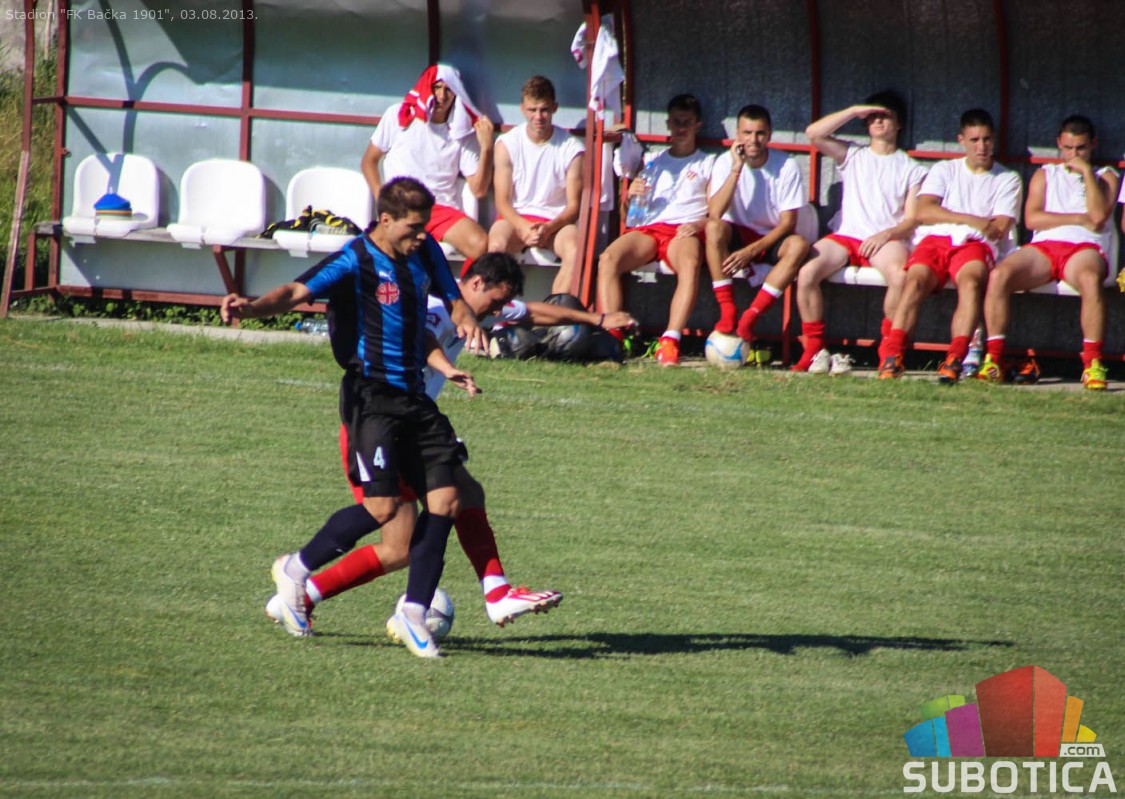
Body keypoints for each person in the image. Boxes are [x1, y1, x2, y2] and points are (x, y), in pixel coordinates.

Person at [265, 253, 637, 630]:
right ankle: (493, 593)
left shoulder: (475, 309)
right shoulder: (432, 306)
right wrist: (446, 367)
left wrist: (596, 320)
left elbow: (533, 313)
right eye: (495, 302)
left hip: (408, 423)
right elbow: (420, 336)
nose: (497, 311)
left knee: (399, 547)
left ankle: (299, 597)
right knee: (450, 496)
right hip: (380, 425)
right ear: (475, 283)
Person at [222, 177, 484, 659]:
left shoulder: (425, 252)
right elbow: (295, 291)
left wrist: (461, 326)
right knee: (383, 509)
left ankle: (413, 614)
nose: (422, 236)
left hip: (415, 398)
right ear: (385, 219)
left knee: (446, 501)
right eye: (413, 227)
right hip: (371, 398)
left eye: (425, 227)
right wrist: (252, 308)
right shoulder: (355, 259)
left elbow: (450, 301)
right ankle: (296, 568)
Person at [878, 108, 1022, 382]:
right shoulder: (945, 169)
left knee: (970, 282)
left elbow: (999, 227)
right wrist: (973, 219)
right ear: (961, 140)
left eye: (986, 139)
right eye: (974, 140)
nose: (981, 147)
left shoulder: (1007, 178)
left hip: (975, 244)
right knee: (914, 281)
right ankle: (893, 356)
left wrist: (952, 216)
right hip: (936, 239)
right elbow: (924, 211)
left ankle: (955, 358)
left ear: (994, 140)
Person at [979, 116, 1119, 390]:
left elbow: (1098, 217)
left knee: (1090, 279)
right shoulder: (1045, 174)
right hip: (1045, 246)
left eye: (1081, 148)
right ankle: (993, 358)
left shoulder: (1106, 176)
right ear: (1059, 144)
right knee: (1000, 274)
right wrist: (1078, 218)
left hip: (1084, 248)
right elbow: (1032, 219)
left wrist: (1086, 173)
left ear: (1093, 144)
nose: (1074, 155)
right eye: (1068, 148)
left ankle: (1092, 363)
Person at [794, 93, 928, 373]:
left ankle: (889, 350)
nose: (878, 121)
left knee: (900, 276)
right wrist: (854, 110)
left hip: (885, 240)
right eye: (872, 116)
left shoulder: (911, 168)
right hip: (847, 236)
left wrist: (886, 235)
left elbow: (912, 220)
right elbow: (814, 134)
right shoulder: (853, 154)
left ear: (899, 123)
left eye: (885, 116)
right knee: (806, 273)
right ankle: (814, 350)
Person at [596, 94, 716, 366]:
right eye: (676, 122)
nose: (681, 128)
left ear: (697, 125)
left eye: (687, 122)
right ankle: (615, 334)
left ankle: (670, 340)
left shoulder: (707, 162)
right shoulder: (651, 160)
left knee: (689, 262)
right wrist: (629, 197)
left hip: (684, 229)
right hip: (650, 229)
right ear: (668, 123)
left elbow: (716, 212)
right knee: (608, 258)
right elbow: (629, 217)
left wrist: (698, 225)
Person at [360, 63, 495, 273]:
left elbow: (478, 190)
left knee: (480, 243)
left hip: (439, 208)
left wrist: (487, 148)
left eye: (448, 89)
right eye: (436, 87)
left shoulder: (462, 131)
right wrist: (382, 199)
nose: (442, 96)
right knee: (391, 253)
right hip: (400, 204)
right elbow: (369, 161)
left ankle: (463, 292)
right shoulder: (399, 114)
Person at [705, 104, 810, 349]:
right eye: (747, 133)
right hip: (737, 233)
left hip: (770, 237)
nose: (753, 140)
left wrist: (751, 251)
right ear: (737, 135)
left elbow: (788, 223)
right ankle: (727, 310)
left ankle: (750, 317)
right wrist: (737, 168)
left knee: (799, 245)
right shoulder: (725, 162)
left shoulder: (786, 165)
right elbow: (715, 212)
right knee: (713, 228)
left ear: (769, 134)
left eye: (760, 133)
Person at [488, 76, 586, 295]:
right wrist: (523, 227)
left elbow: (574, 207)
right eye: (532, 110)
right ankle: (500, 307)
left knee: (575, 250)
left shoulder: (572, 148)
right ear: (522, 109)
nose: (538, 117)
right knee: (496, 246)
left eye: (544, 110)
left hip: (556, 223)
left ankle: (556, 310)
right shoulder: (507, 143)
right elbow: (502, 202)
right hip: (516, 219)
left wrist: (548, 228)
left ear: (554, 108)